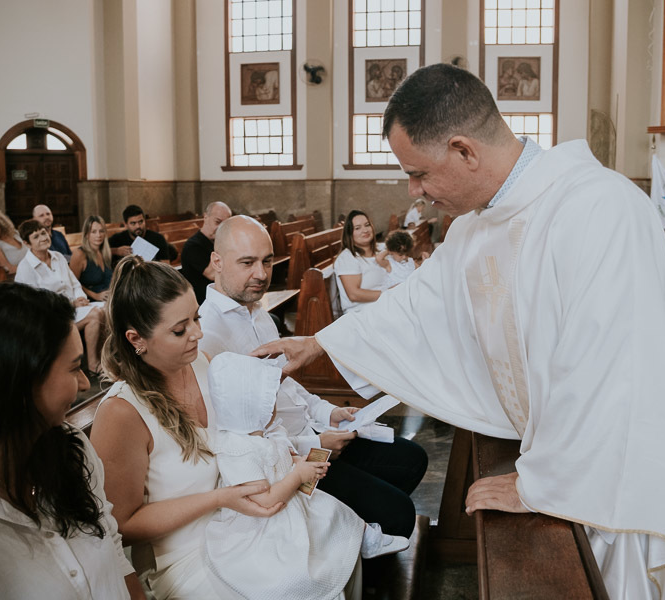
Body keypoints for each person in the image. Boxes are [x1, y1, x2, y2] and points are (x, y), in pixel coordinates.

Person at [251, 63, 665, 599]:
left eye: (420, 173)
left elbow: (608, 369)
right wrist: (320, 341)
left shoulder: (598, 208)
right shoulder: (479, 225)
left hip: (613, 482)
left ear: (464, 150)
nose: (415, 191)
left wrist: (543, 483)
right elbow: (419, 303)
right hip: (551, 451)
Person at [198, 215, 427, 539]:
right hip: (287, 461)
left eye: (267, 261)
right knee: (399, 515)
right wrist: (316, 444)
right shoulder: (208, 336)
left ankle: (350, 533)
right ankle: (343, 548)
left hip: (316, 431)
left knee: (412, 458)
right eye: (247, 262)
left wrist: (327, 412)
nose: (262, 274)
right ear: (216, 262)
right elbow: (236, 437)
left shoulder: (258, 313)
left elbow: (285, 379)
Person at [0, 283, 142, 599]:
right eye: (73, 368)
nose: (84, 383)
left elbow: (111, 547)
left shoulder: (70, 447)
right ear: (19, 382)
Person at [89, 256, 284, 599]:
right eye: (180, 330)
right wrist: (220, 498)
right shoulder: (121, 412)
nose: (198, 333)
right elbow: (122, 524)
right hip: (183, 559)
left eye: (196, 317)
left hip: (237, 527)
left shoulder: (204, 364)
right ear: (137, 339)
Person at [203, 352, 408, 600]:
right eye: (269, 400)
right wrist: (299, 474)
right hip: (260, 524)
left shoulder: (266, 432)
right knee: (317, 535)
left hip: (288, 501)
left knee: (335, 511)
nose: (274, 405)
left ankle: (366, 539)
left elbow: (281, 458)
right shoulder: (237, 450)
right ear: (250, 405)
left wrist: (302, 462)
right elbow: (263, 501)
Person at [15, 219, 105, 376]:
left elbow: (75, 283)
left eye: (43, 233)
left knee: (108, 309)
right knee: (96, 315)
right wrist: (71, 304)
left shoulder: (57, 256)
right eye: (36, 236)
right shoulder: (25, 268)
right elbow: (35, 304)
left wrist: (80, 298)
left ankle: (106, 359)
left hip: (73, 309)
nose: (43, 238)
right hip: (50, 317)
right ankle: (93, 364)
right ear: (27, 243)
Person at [333, 210, 387, 314]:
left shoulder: (383, 249)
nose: (365, 230)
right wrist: (390, 293)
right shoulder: (347, 258)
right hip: (362, 312)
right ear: (349, 234)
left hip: (386, 305)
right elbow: (354, 294)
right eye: (357, 228)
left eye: (367, 225)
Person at [180, 201, 232, 304]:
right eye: (217, 222)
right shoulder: (193, 246)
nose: (220, 228)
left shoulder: (215, 241)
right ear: (205, 217)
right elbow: (212, 274)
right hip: (202, 302)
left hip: (220, 298)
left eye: (225, 225)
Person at [107, 205, 177, 263]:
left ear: (144, 221)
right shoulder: (117, 238)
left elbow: (166, 265)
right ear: (126, 225)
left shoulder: (158, 238)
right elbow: (99, 251)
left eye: (140, 222)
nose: (138, 226)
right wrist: (116, 251)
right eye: (133, 223)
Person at [70, 216, 114, 301]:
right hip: (91, 301)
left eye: (101, 231)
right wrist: (95, 295)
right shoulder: (79, 254)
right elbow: (72, 283)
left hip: (109, 298)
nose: (98, 235)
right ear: (86, 234)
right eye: (93, 232)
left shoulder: (104, 252)